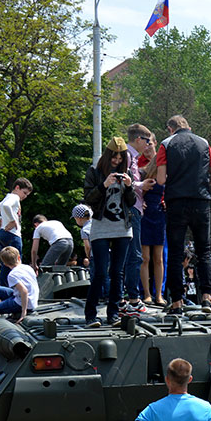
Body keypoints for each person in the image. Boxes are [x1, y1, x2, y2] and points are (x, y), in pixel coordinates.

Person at [155, 115, 211, 312]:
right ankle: (207, 298)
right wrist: (199, 184)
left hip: (176, 202)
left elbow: (160, 179)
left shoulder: (166, 145)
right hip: (201, 201)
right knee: (204, 251)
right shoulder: (204, 143)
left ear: (170, 129)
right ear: (189, 127)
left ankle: (177, 301)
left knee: (175, 253)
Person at [81, 137, 137, 326]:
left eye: (121, 157)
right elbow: (88, 198)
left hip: (122, 228)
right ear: (108, 156)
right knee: (100, 273)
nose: (117, 161)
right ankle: (90, 314)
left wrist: (129, 187)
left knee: (117, 272)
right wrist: (103, 185)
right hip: (101, 227)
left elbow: (130, 202)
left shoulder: (126, 172)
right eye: (114, 157)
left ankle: (113, 314)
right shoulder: (94, 172)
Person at [124, 124, 158, 312]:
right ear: (138, 140)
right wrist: (140, 185)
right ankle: (133, 299)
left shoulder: (133, 158)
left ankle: (131, 298)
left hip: (136, 209)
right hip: (131, 211)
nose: (148, 145)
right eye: (147, 141)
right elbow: (122, 179)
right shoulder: (127, 156)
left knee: (134, 255)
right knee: (134, 255)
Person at [0, 177, 33, 284]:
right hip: (13, 235)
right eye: (24, 193)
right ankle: (17, 287)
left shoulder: (7, 198)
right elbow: (6, 206)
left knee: (6, 263)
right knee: (16, 263)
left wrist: (0, 219)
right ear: (17, 188)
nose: (25, 196)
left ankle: (4, 286)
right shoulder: (14, 197)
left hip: (2, 233)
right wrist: (13, 221)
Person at [139, 154, 166, 305]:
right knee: (145, 258)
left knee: (159, 258)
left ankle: (159, 295)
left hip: (159, 215)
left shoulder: (166, 176)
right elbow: (137, 191)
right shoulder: (143, 172)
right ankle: (147, 294)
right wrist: (140, 202)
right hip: (145, 215)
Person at [0, 247, 39, 320]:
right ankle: (8, 306)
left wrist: (24, 312)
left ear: (5, 264)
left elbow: (24, 291)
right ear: (19, 257)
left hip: (23, 303)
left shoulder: (12, 275)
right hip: (33, 299)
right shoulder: (28, 267)